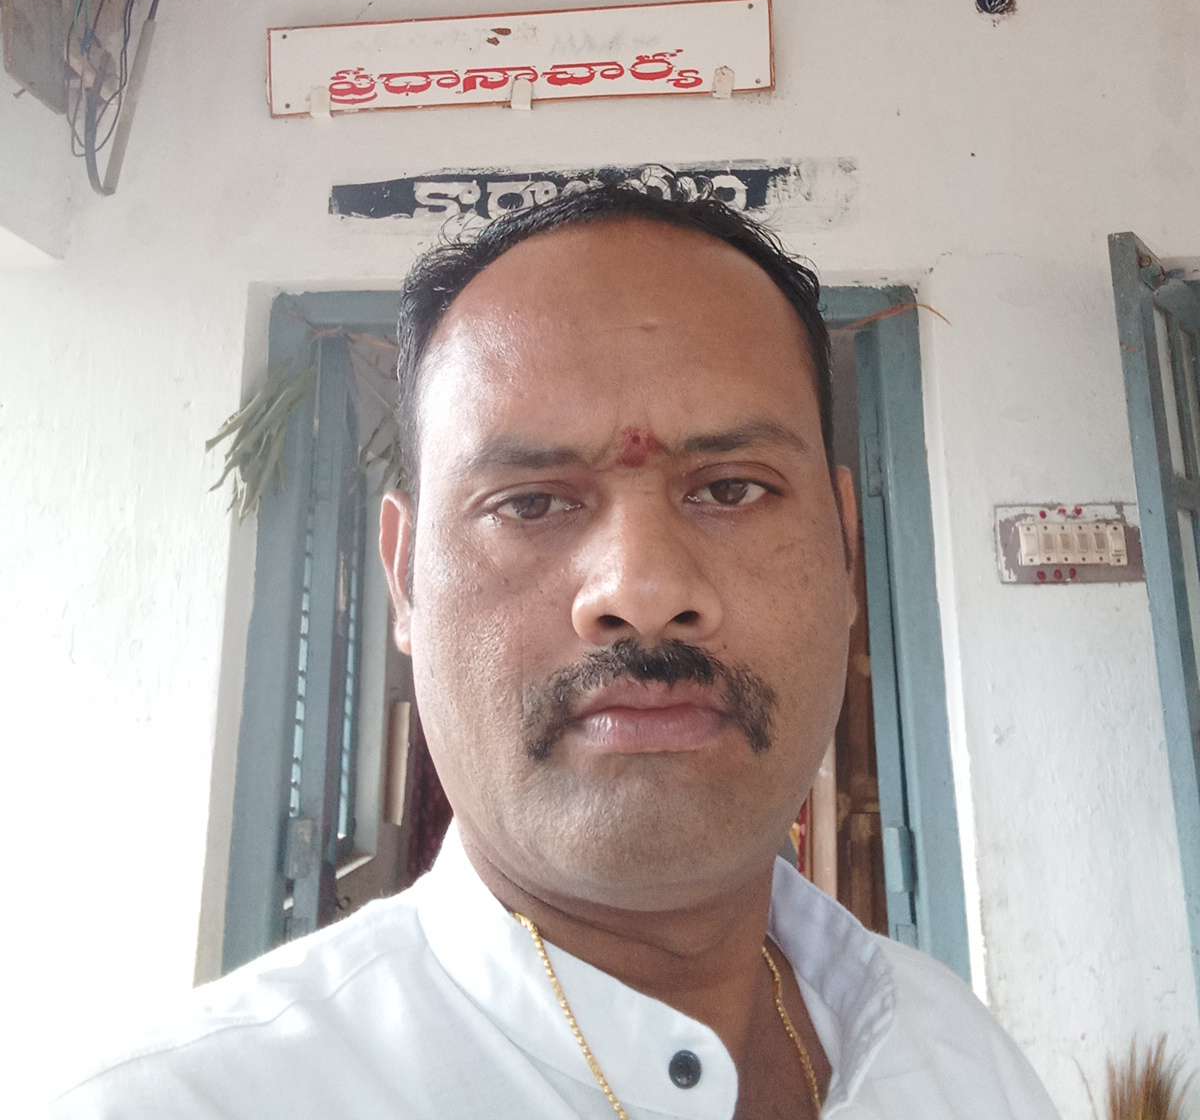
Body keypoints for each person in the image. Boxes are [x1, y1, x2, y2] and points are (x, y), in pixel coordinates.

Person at [52, 175, 1060, 1119]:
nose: (642, 592)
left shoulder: (959, 1059)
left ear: (845, 548)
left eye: (731, 488)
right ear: (406, 577)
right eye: (530, 503)